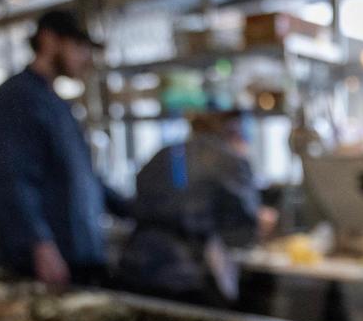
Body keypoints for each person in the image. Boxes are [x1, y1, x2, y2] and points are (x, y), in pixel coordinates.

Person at [0, 10, 129, 286]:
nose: (85, 57)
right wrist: (40, 244)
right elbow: (15, 178)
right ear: (49, 40)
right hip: (51, 261)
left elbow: (82, 175)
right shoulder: (16, 98)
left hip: (81, 253)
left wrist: (134, 209)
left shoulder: (58, 103)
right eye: (78, 46)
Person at [118, 110, 277, 303]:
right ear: (234, 132)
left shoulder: (164, 153)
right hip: (190, 274)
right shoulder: (230, 160)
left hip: (135, 264)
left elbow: (137, 202)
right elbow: (245, 229)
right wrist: (261, 222)